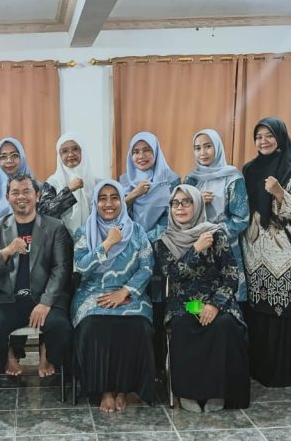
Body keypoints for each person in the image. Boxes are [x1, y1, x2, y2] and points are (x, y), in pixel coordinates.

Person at [0, 137, 78, 371]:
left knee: (60, 328)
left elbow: (61, 269)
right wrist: (7, 250)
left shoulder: (54, 227)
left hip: (44, 297)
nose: (21, 197)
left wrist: (45, 303)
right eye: (15, 192)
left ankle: (47, 353)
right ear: (7, 198)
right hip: (8, 299)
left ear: (37, 195)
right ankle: (8, 357)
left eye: (27, 191)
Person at [155, 185, 250, 412]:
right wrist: (195, 250)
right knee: (185, 323)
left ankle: (218, 393)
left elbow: (230, 275)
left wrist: (214, 305)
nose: (180, 208)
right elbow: (173, 275)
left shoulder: (216, 235)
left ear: (197, 204)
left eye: (186, 202)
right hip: (185, 301)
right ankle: (189, 394)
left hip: (217, 300)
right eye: (175, 203)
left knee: (225, 325)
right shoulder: (165, 241)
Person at [241, 117, 291, 389]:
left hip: (288, 254)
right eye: (259, 136)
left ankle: (287, 372)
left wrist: (279, 192)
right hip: (255, 251)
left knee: (287, 309)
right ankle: (260, 369)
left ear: (280, 137)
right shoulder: (249, 169)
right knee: (260, 310)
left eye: (269, 135)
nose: (263, 141)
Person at [72, 180, 156, 412]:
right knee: (94, 325)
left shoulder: (137, 231)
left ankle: (125, 389)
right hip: (93, 294)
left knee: (138, 326)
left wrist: (125, 292)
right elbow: (81, 268)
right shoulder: (84, 232)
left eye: (114, 197)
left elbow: (147, 267)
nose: (108, 203)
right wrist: (107, 243)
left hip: (129, 293)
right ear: (95, 203)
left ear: (122, 201)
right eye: (102, 198)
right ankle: (105, 390)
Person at [118, 131, 180, 375]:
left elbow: (174, 219)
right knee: (137, 308)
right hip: (131, 255)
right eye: (135, 151)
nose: (141, 156)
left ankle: (161, 368)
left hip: (162, 252)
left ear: (156, 152)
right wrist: (133, 195)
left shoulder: (172, 180)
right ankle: (139, 369)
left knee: (160, 307)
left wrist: (146, 238)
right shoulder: (123, 182)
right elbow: (116, 217)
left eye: (146, 150)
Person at [184, 129, 250, 303]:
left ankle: (228, 318)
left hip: (225, 249)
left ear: (217, 147)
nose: (202, 152)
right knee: (196, 303)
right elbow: (181, 216)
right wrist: (197, 202)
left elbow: (241, 219)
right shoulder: (191, 180)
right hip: (197, 248)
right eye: (197, 148)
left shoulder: (233, 178)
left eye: (208, 146)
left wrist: (214, 234)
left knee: (226, 303)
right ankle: (196, 319)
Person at [46, 133, 99, 235]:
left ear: (82, 151)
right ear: (59, 156)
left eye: (75, 149)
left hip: (93, 238)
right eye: (64, 151)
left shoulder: (96, 183)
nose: (70, 154)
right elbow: (45, 214)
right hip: (62, 240)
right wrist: (68, 191)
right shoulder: (52, 183)